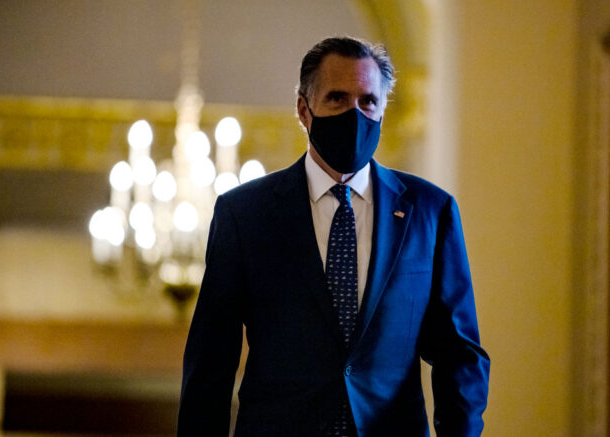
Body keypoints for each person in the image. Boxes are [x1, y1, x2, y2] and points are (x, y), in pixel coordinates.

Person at [178, 36, 490, 437]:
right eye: (337, 99)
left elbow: (459, 355)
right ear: (304, 109)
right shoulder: (245, 214)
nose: (354, 114)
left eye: (367, 101)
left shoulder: (430, 211)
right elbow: (211, 360)